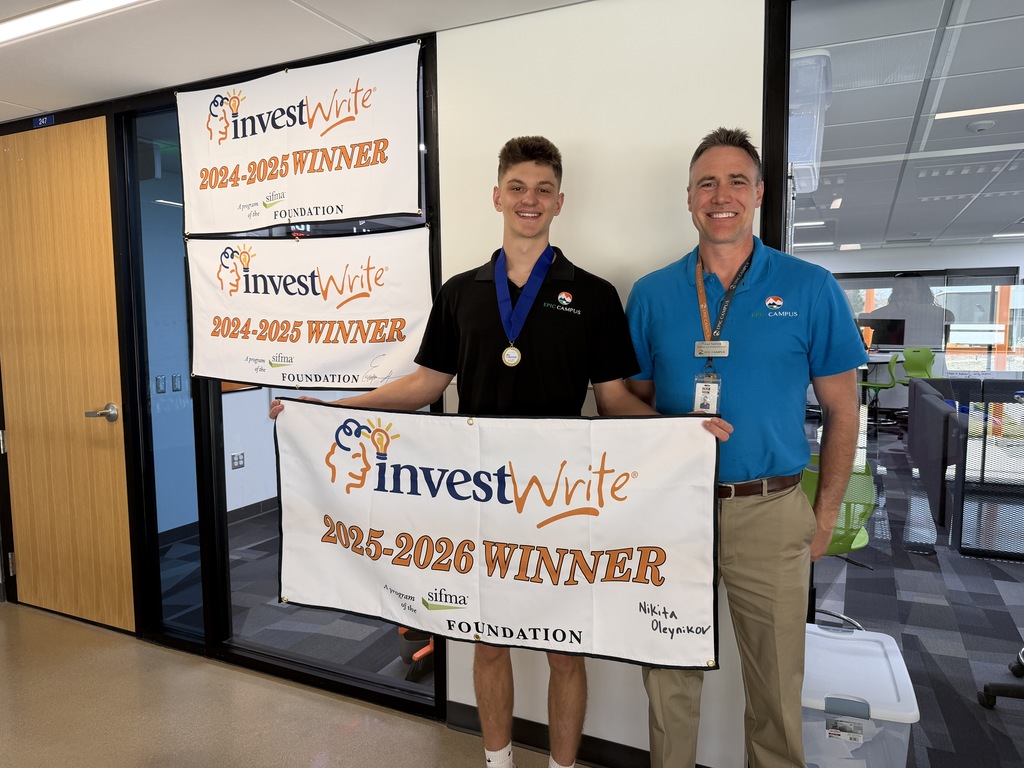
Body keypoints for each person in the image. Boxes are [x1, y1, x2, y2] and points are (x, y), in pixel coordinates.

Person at [271, 135, 731, 768]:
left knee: (566, 645)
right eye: (517, 187)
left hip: (561, 499)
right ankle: (498, 761)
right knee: (486, 644)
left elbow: (615, 400)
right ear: (496, 196)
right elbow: (426, 384)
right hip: (479, 495)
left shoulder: (593, 295)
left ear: (560, 201)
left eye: (543, 189)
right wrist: (333, 412)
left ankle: (562, 766)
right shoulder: (460, 292)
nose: (529, 200)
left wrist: (681, 434)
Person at [624, 127, 866, 768]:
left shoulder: (810, 287)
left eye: (736, 181)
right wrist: (671, 434)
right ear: (689, 198)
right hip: (673, 514)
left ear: (758, 194)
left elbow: (845, 411)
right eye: (707, 182)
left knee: (776, 693)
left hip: (771, 509)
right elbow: (630, 405)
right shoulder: (650, 295)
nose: (721, 195)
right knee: (668, 677)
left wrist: (825, 516)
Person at [859, 271, 955, 348]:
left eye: (907, 292)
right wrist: (893, 308)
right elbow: (866, 319)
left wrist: (909, 307)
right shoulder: (889, 315)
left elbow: (949, 316)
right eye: (896, 292)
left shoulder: (931, 315)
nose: (900, 296)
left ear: (921, 295)